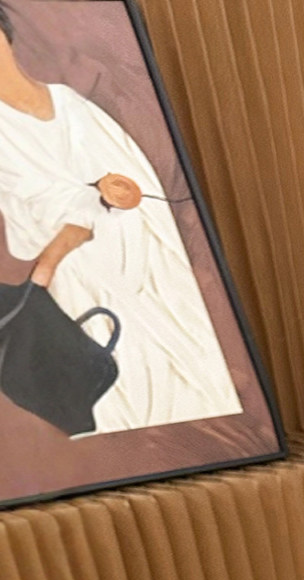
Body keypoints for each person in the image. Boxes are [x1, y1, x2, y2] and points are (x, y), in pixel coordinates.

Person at [0, 0, 241, 435]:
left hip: (141, 262)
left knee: (185, 364)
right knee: (125, 382)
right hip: (79, 273)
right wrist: (79, 215)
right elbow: (29, 211)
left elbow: (137, 187)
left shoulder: (70, 103)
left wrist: (116, 192)